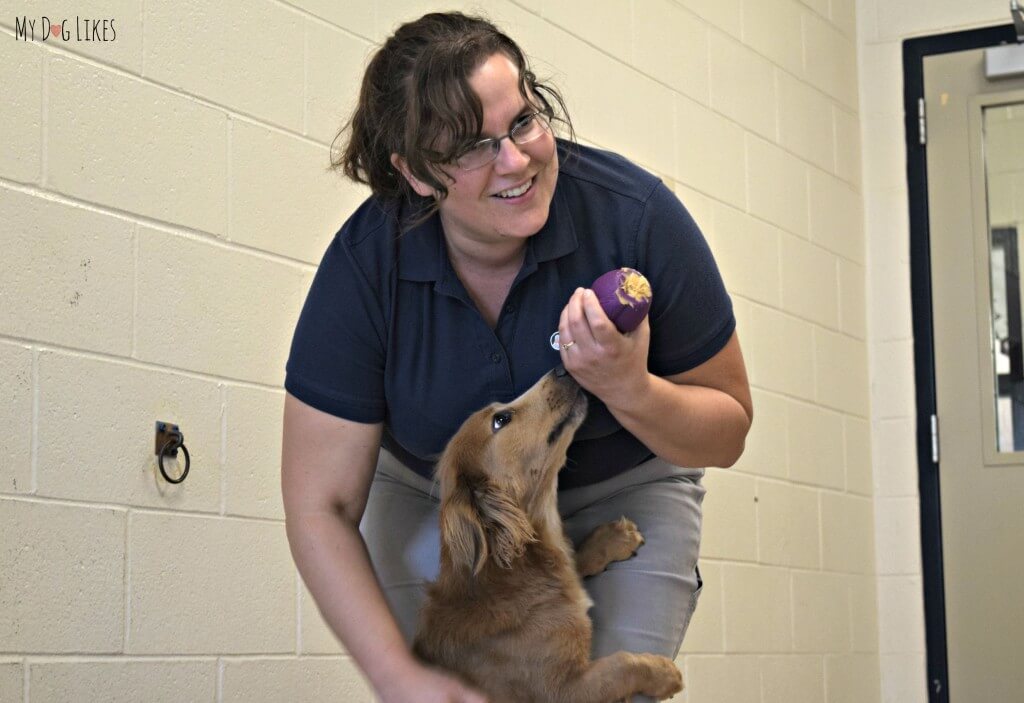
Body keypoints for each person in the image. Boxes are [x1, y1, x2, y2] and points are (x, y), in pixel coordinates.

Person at [281, 11, 753, 703]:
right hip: (442, 504)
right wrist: (401, 677)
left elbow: (731, 427)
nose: (516, 160)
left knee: (614, 690)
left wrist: (632, 389)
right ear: (413, 172)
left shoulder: (634, 216)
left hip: (621, 483)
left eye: (524, 122)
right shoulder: (367, 265)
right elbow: (320, 503)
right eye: (473, 148)